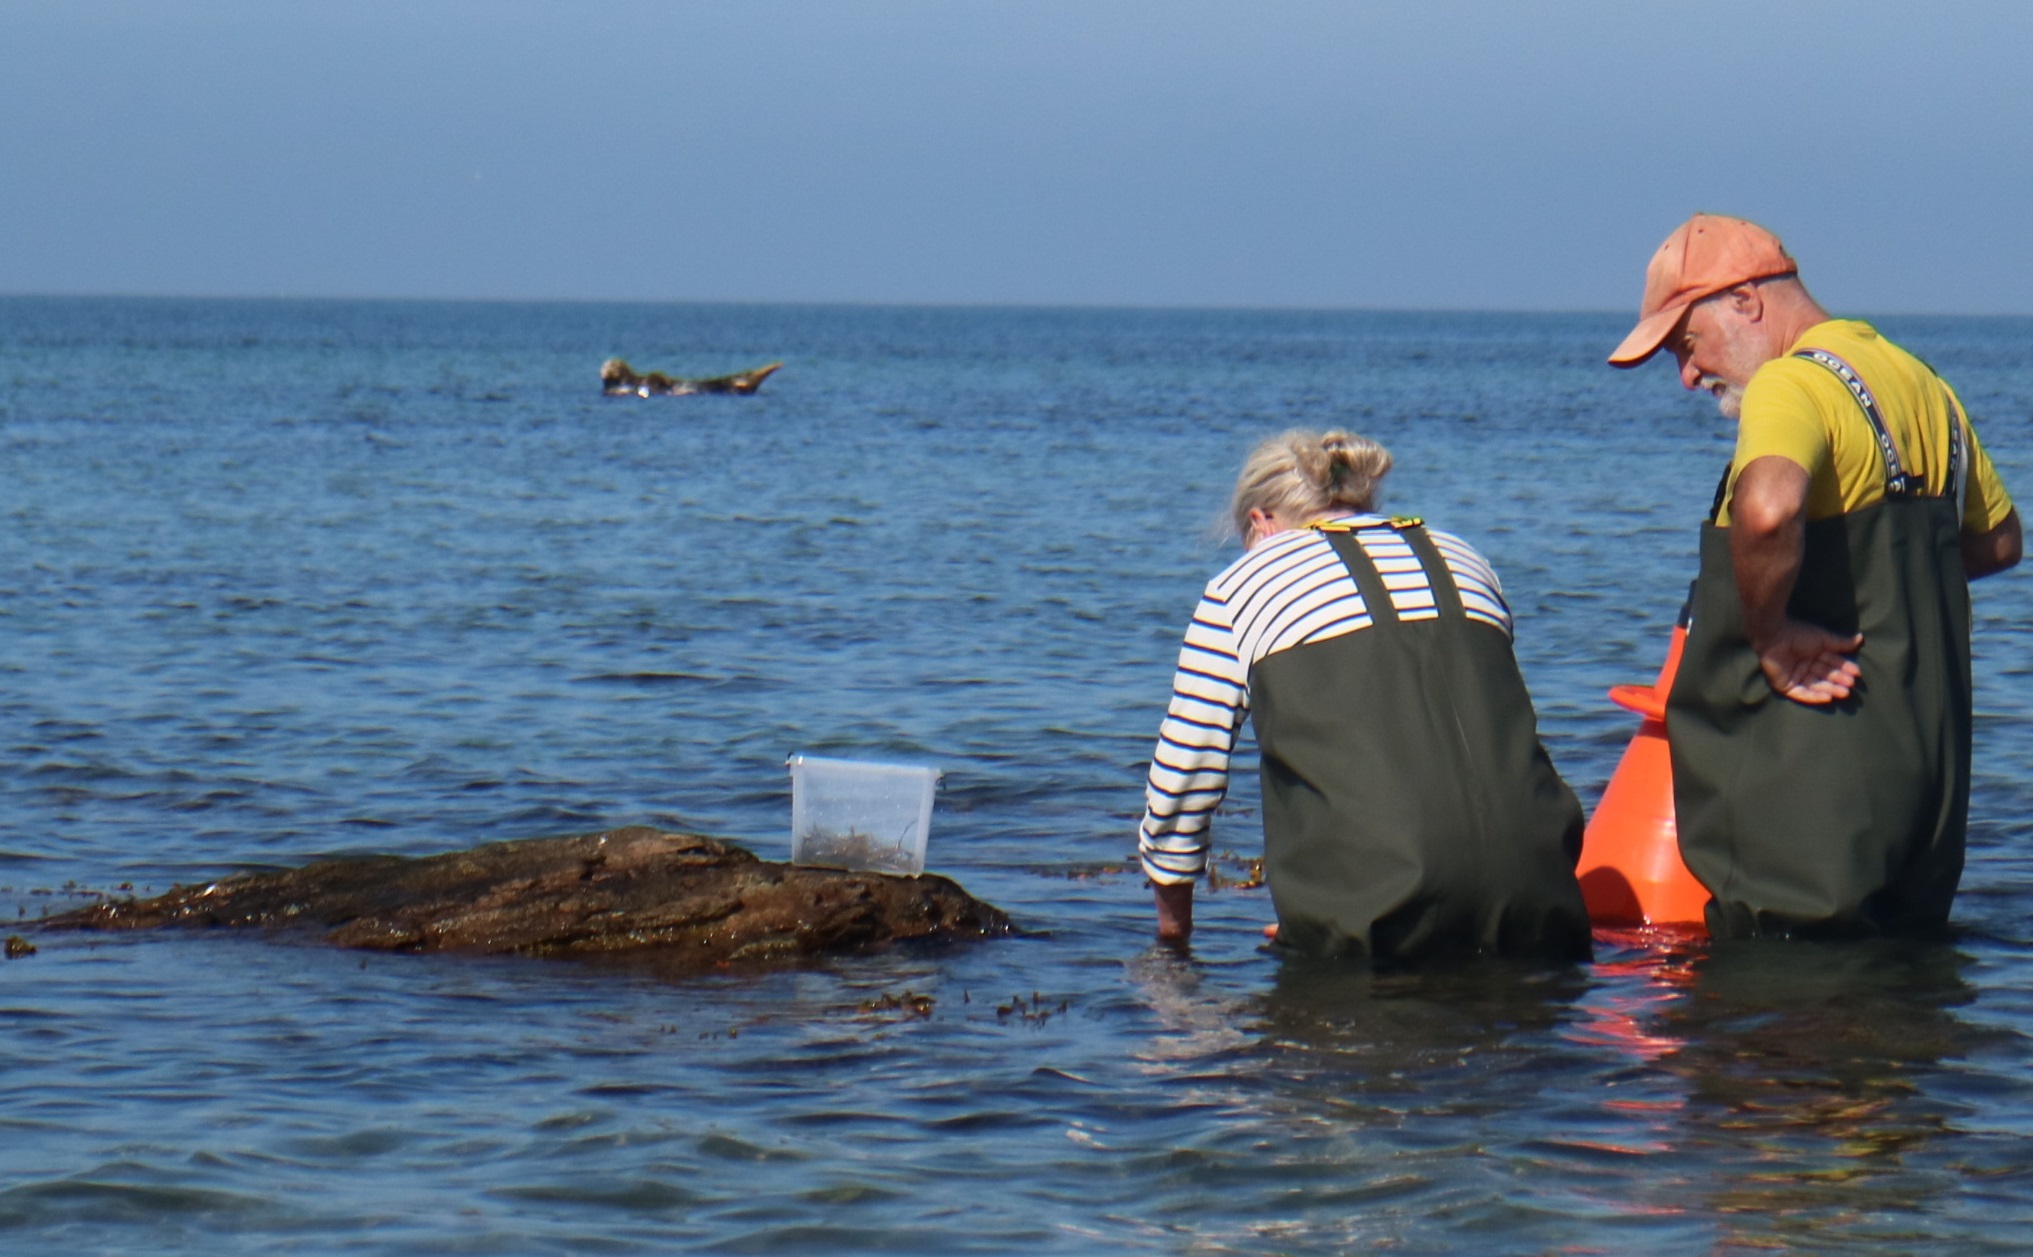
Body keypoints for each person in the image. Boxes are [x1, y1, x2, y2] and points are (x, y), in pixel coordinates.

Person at [1608, 213, 2022, 938]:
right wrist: (1882, 579)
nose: (1686, 374)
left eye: (1686, 341)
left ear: (1745, 299)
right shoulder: (1924, 386)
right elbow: (1998, 543)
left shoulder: (1788, 385)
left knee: (1777, 1034)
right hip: (1923, 818)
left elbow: (1766, 511)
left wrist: (1769, 634)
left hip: (1805, 829)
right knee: (1899, 1031)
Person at [1138, 429, 1591, 961]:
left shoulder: (1238, 588)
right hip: (1543, 896)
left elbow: (1183, 783)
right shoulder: (1465, 557)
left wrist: (1174, 941)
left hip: (1379, 919)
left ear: (1260, 522)